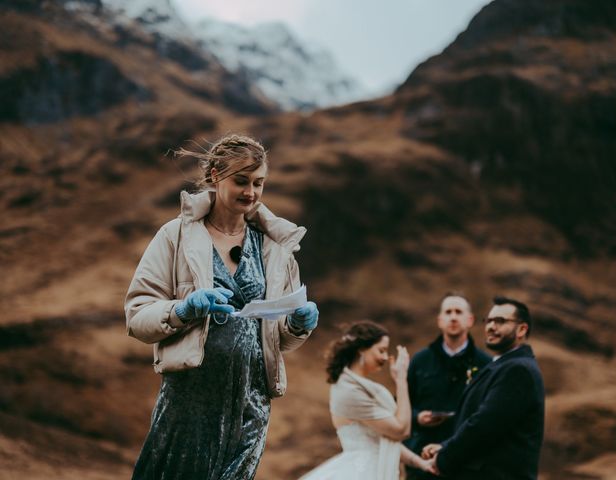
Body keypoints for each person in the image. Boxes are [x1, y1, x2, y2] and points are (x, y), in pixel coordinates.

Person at [124, 133, 319, 480]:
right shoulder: (175, 236)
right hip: (190, 400)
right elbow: (137, 314)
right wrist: (183, 310)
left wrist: (298, 326)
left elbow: (280, 339)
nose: (251, 192)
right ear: (215, 176)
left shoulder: (276, 248)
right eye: (241, 181)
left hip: (251, 401)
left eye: (259, 183)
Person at [421, 296, 545, 480]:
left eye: (500, 321)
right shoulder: (502, 365)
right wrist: (446, 446)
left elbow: (485, 425)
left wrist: (444, 459)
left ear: (522, 329)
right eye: (489, 320)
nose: (491, 327)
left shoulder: (518, 370)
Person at [300, 321, 434, 480]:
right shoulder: (350, 391)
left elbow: (384, 441)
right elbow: (400, 431)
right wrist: (401, 380)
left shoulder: (357, 387)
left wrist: (421, 463)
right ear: (362, 349)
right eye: (381, 350)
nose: (385, 357)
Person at [404, 293, 491, 479]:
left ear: (470, 320)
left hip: (467, 461)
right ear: (439, 320)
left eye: (458, 312)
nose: (453, 317)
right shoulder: (420, 361)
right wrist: (418, 417)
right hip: (422, 458)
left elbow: (489, 412)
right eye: (448, 312)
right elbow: (401, 405)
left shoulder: (485, 364)